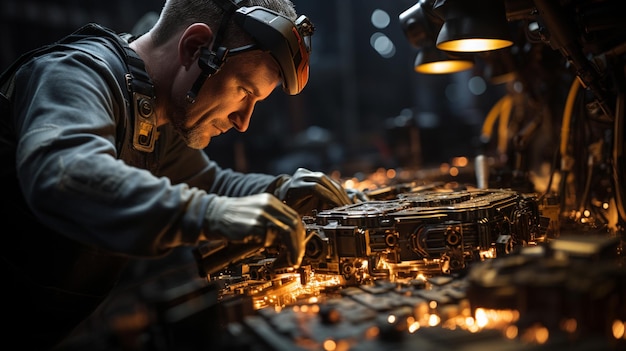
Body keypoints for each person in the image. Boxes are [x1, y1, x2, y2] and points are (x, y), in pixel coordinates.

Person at [0, 0, 359, 349]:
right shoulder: (74, 73)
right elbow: (65, 175)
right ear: (195, 47)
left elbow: (211, 185)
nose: (243, 121)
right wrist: (209, 214)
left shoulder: (155, 113)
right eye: (244, 92)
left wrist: (283, 193)